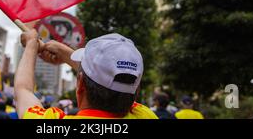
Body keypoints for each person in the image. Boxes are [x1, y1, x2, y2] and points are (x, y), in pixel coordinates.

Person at [15, 30, 157, 119]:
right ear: (136, 90)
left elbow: (23, 90)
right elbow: (118, 83)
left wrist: (31, 44)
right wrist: (64, 53)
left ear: (80, 84)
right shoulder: (145, 115)